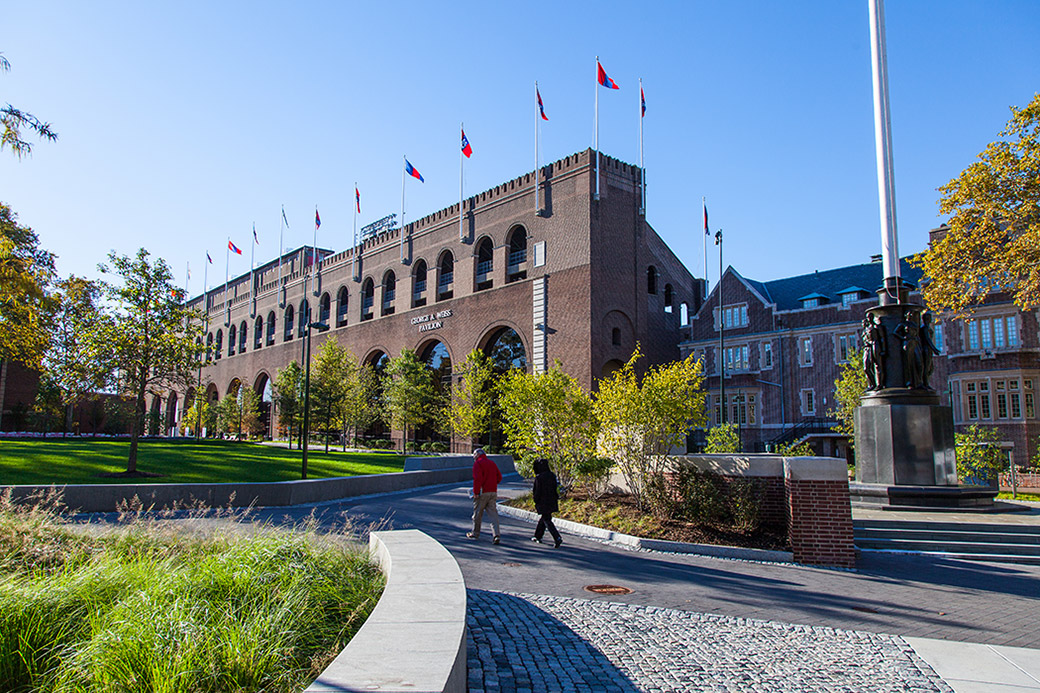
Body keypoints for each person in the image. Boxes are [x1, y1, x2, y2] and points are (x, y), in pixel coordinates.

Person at [468, 448, 502, 544]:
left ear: (477, 455)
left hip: (483, 492)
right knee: (493, 514)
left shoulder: (478, 464)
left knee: (477, 514)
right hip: (493, 491)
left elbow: (477, 479)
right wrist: (493, 484)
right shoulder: (492, 463)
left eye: (474, 455)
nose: (473, 457)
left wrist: (476, 492)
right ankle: (496, 535)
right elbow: (499, 477)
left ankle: (475, 533)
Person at [531, 458, 563, 548]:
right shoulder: (552, 475)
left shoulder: (539, 477)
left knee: (546, 520)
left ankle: (557, 537)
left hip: (543, 501)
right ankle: (537, 536)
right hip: (552, 499)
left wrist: (536, 500)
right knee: (545, 517)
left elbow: (537, 491)